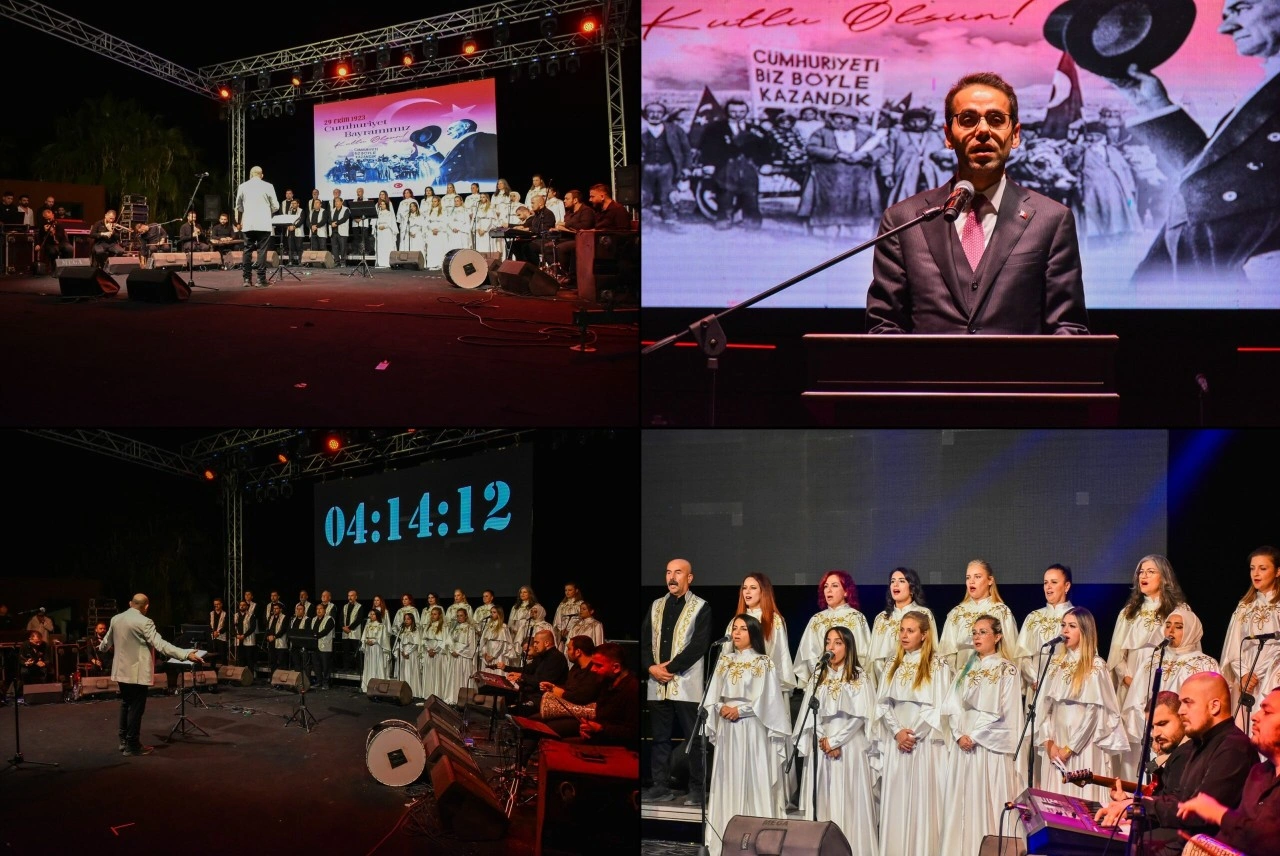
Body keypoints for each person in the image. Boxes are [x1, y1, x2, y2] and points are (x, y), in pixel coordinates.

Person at [865, 71, 1089, 335]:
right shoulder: (904, 220)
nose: (982, 130)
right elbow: (885, 327)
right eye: (968, 120)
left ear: (1015, 135)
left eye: (996, 120)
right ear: (948, 136)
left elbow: (1068, 328)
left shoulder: (1051, 219)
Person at [1102, 0, 1280, 282]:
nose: (1225, 27)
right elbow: (1212, 178)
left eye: (1242, 8)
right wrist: (1153, 103)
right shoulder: (1267, 88)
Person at [1117, 673, 1255, 854]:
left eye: (1188, 702)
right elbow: (1177, 799)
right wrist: (1133, 806)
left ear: (1214, 706)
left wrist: (1139, 806)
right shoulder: (1197, 744)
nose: (1181, 711)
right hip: (1184, 842)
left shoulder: (1234, 748)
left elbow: (1198, 815)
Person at [702, 614, 790, 856]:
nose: (737, 633)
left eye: (743, 628)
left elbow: (769, 702)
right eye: (735, 628)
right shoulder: (724, 660)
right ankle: (724, 836)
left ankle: (756, 839)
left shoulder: (763, 662)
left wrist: (740, 710)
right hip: (728, 729)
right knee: (728, 777)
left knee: (753, 775)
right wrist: (721, 707)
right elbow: (712, 696)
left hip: (751, 727)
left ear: (753, 633)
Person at [939, 614, 1024, 856]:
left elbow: (1005, 711)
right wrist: (958, 734)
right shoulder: (965, 670)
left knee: (986, 799)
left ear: (997, 637)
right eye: (974, 632)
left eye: (983, 632)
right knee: (962, 802)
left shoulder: (1007, 670)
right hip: (964, 746)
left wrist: (975, 736)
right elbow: (952, 706)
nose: (977, 637)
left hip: (988, 748)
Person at [793, 624, 878, 855]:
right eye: (828, 642)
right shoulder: (818, 676)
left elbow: (862, 715)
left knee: (849, 799)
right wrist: (824, 739)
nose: (831, 647)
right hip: (823, 746)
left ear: (848, 647)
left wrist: (836, 741)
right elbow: (811, 713)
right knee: (824, 798)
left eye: (838, 643)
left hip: (850, 745)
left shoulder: (859, 677)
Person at [876, 610, 954, 856]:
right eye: (901, 630)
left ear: (924, 635)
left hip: (924, 742)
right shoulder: (892, 663)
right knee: (897, 799)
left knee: (923, 799)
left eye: (910, 631)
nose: (904, 635)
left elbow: (938, 706)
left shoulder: (937, 664)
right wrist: (897, 732)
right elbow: (883, 703)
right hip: (898, 741)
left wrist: (912, 735)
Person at [1108, 554, 1190, 778]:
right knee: (1135, 740)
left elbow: (1187, 647)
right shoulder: (1128, 613)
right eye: (1141, 572)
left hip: (1166, 683)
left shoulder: (1178, 610)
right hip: (1131, 684)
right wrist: (1128, 678)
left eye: (1150, 572)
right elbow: (1117, 654)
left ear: (1164, 577)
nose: (1143, 576)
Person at [1034, 607, 1128, 801]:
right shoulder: (1055, 665)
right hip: (1056, 740)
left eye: (1072, 626)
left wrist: (1070, 748)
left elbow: (1094, 712)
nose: (1065, 630)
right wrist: (1049, 743)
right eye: (1063, 625)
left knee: (1080, 795)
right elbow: (1045, 709)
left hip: (1082, 745)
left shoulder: (1095, 665)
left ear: (1085, 631)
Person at [1175, 686, 1280, 856]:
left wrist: (1219, 814)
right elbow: (1235, 837)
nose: (1255, 716)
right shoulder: (1259, 773)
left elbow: (1271, 843)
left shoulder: (1234, 748)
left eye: (1267, 712)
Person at [642, 558, 712, 806]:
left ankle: (697, 788)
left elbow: (699, 645)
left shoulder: (701, 607)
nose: (672, 577)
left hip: (685, 682)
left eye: (678, 572)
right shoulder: (656, 605)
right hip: (657, 682)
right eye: (668, 572)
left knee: (693, 738)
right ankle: (660, 785)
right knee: (659, 738)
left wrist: (669, 668)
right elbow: (646, 640)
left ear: (689, 578)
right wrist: (651, 667)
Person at [99, 594, 203, 756]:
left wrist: (101, 648)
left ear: (130, 603)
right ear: (146, 607)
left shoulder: (116, 619)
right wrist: (185, 654)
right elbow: (160, 645)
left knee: (126, 704)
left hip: (121, 671)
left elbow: (105, 644)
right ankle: (132, 745)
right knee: (136, 708)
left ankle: (124, 740)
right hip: (137, 673)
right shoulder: (145, 622)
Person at [1094, 690, 1194, 851]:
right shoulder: (1175, 753)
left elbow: (1171, 814)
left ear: (1182, 717)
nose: (1156, 734)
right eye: (1152, 727)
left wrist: (1133, 808)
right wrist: (1127, 802)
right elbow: (1160, 803)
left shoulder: (1185, 754)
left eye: (1162, 724)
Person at [1221, 546, 1280, 732]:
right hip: (1247, 681)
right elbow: (1233, 646)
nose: (1256, 573)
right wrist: (1244, 673)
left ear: (1277, 571)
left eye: (1263, 568)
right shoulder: (1244, 607)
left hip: (1274, 677)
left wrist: (1269, 670)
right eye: (1252, 568)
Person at [800, 108, 883, 239]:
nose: (842, 121)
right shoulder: (822, 132)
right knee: (829, 204)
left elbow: (881, 148)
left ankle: (855, 235)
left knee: (858, 204)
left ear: (854, 120)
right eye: (838, 117)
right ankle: (827, 235)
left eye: (847, 118)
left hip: (858, 178)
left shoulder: (865, 134)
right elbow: (812, 148)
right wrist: (836, 154)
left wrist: (864, 155)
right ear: (832, 119)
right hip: (829, 177)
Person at [939, 559, 1025, 672]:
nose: (971, 581)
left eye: (977, 577)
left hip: (992, 676)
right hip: (962, 676)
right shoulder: (956, 613)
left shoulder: (1001, 611)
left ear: (990, 580)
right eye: (968, 577)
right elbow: (946, 653)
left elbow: (1011, 651)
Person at [699, 99, 769, 230]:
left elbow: (765, 148)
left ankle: (752, 222)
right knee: (725, 193)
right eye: (733, 111)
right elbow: (708, 147)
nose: (738, 115)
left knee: (751, 194)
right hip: (725, 164)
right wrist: (709, 163)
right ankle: (723, 220)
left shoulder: (755, 129)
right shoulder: (715, 129)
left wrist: (764, 163)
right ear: (727, 112)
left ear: (747, 112)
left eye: (742, 111)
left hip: (748, 165)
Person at [794, 570, 872, 684]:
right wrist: (821, 674)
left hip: (849, 680)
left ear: (846, 591)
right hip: (821, 679)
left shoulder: (856, 617)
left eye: (835, 586)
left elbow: (863, 654)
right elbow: (808, 653)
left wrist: (847, 676)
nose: (828, 590)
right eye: (826, 586)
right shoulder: (816, 619)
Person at [869, 566, 938, 682]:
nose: (895, 585)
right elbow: (873, 657)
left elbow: (932, 648)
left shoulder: (924, 614)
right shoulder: (881, 618)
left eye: (901, 581)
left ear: (912, 588)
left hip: (915, 678)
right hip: (884, 680)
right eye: (892, 581)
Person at [727, 573, 794, 691]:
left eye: (753, 588)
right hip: (738, 680)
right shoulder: (736, 620)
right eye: (744, 588)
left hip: (764, 681)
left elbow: (779, 654)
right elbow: (726, 651)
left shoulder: (773, 620)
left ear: (763, 591)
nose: (747, 592)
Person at [1018, 563, 1075, 690]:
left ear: (1066, 586)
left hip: (1066, 686)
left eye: (1054, 582)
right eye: (1045, 583)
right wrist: (1034, 679)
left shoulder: (1077, 617)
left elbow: (1085, 654)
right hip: (1037, 685)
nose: (1048, 587)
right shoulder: (1033, 617)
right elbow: (1023, 655)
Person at [538, 636, 603, 737]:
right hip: (568, 710)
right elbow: (568, 686)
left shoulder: (593, 671)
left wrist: (562, 693)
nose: (566, 652)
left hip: (581, 716)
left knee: (543, 728)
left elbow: (583, 697)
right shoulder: (576, 667)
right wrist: (553, 687)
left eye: (569, 648)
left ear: (578, 652)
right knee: (533, 721)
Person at [579, 641, 640, 748]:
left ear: (616, 667)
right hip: (601, 742)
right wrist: (589, 728)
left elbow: (633, 733)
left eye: (598, 665)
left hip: (619, 750)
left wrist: (601, 728)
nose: (592, 669)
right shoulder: (606, 682)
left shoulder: (633, 689)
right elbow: (604, 718)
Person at [641, 102, 691, 225]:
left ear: (664, 114)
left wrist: (686, 167)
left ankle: (670, 220)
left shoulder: (675, 130)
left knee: (668, 194)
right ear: (645, 114)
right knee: (644, 195)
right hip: (645, 169)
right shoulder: (641, 129)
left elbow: (686, 150)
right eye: (651, 112)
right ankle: (645, 222)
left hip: (667, 167)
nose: (655, 115)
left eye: (659, 112)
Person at [233, 165, 280, 287]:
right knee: (262, 251)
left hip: (248, 223)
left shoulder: (243, 186)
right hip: (263, 224)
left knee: (247, 250)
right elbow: (276, 206)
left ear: (250, 175)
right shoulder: (268, 186)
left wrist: (246, 213)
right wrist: (267, 211)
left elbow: (238, 206)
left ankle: (246, 279)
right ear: (262, 175)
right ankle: (260, 279)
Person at [506, 629, 568, 713]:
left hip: (544, 698)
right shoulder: (541, 655)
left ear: (546, 643)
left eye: (536, 642)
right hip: (534, 693)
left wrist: (521, 677)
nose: (534, 645)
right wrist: (508, 669)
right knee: (508, 693)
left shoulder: (557, 658)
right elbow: (527, 669)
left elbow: (543, 681)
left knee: (515, 707)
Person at [430, 119, 499, 188]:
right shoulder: (462, 143)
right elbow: (451, 166)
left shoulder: (484, 138)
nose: (448, 133)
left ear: (466, 126)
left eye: (451, 128)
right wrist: (433, 152)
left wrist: (472, 184)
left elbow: (482, 163)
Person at [552, 189, 597, 278]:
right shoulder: (569, 212)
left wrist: (565, 224)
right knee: (547, 246)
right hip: (568, 237)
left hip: (582, 239)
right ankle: (560, 273)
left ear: (575, 200)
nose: (564, 201)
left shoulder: (586, 211)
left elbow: (585, 226)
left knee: (561, 248)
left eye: (567, 199)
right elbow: (566, 226)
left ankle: (569, 275)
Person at [443, 606, 475, 705]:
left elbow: (471, 644)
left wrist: (459, 651)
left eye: (461, 615)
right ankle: (452, 696)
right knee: (454, 676)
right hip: (454, 655)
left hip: (463, 656)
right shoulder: (454, 628)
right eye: (457, 616)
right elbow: (449, 641)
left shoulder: (470, 628)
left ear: (466, 616)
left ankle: (463, 699)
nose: (459, 618)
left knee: (462, 676)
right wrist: (452, 650)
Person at [421, 605, 449, 701]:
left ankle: (438, 693)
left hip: (438, 653)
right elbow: (424, 639)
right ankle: (428, 693)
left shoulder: (444, 627)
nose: (433, 616)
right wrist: (428, 649)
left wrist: (435, 650)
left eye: (435, 614)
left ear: (439, 615)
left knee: (438, 674)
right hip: (429, 652)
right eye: (432, 614)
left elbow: (444, 641)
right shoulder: (428, 626)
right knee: (429, 673)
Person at [361, 606, 390, 693]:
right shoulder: (367, 625)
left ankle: (378, 686)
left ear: (377, 615)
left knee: (377, 665)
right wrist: (366, 641)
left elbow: (382, 638)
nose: (371, 616)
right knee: (369, 665)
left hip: (377, 647)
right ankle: (368, 685)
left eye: (373, 614)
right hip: (369, 648)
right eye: (371, 614)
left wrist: (373, 641)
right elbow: (363, 637)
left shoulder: (381, 626)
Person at [36, 208, 71, 274]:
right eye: (46, 218)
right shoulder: (42, 224)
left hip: (61, 242)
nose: (48, 220)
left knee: (69, 248)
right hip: (50, 243)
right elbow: (40, 236)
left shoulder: (58, 223)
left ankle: (66, 268)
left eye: (49, 218)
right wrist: (45, 231)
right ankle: (53, 269)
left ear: (53, 215)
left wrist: (54, 233)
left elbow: (61, 235)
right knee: (53, 251)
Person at [339, 590, 365, 672]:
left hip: (354, 632)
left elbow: (359, 619)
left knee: (356, 651)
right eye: (349, 595)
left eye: (352, 595)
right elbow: (341, 618)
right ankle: (346, 668)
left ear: (356, 597)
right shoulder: (345, 606)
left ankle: (359, 669)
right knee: (345, 651)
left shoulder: (359, 606)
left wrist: (349, 628)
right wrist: (343, 627)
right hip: (345, 632)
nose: (350, 597)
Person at [509, 586, 540, 655]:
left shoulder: (534, 606)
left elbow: (537, 619)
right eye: (521, 592)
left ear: (530, 594)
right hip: (515, 631)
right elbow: (511, 620)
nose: (522, 594)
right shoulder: (515, 607)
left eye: (525, 592)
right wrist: (512, 628)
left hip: (527, 630)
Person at [233, 599, 258, 678]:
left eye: (243, 605)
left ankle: (250, 678)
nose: (242, 606)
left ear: (247, 606)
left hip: (248, 640)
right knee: (240, 659)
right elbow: (232, 627)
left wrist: (244, 635)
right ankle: (241, 677)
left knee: (249, 659)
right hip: (239, 640)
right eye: (240, 605)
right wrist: (236, 635)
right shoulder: (236, 615)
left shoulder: (251, 615)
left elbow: (252, 627)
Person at [262, 602, 288, 676]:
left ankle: (282, 678)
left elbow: (283, 629)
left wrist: (274, 636)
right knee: (272, 661)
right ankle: (273, 677)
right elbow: (268, 628)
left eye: (277, 608)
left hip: (280, 642)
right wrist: (268, 636)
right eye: (274, 609)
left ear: (280, 609)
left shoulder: (284, 617)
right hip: (271, 643)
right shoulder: (271, 617)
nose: (275, 610)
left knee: (281, 662)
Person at [288, 604, 313, 676]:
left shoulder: (308, 620)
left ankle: (306, 680)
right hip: (294, 646)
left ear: (304, 611)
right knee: (296, 664)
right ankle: (298, 680)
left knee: (305, 665)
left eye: (300, 609)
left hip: (303, 646)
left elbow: (308, 633)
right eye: (297, 609)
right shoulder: (293, 620)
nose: (298, 610)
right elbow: (289, 631)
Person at [373, 200, 397, 267]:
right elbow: (375, 222)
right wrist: (377, 226)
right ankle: (380, 263)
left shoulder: (389, 213)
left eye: (384, 204)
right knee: (380, 247)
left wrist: (385, 226)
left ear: (386, 205)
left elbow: (391, 223)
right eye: (381, 204)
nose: (382, 205)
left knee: (387, 246)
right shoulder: (378, 213)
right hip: (379, 232)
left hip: (387, 231)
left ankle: (387, 263)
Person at [329, 196, 350, 266]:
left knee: (343, 247)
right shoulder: (332, 210)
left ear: (341, 202)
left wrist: (336, 223)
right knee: (334, 247)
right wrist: (331, 223)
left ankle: (343, 262)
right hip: (333, 231)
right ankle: (337, 261)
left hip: (342, 231)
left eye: (338, 201)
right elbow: (329, 219)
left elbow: (344, 218)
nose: (336, 203)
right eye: (335, 201)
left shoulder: (346, 209)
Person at [283, 199, 304, 265]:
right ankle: (290, 261)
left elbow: (301, 220)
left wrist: (294, 227)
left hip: (298, 231)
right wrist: (288, 226)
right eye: (292, 203)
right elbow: (286, 220)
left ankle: (300, 261)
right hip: (290, 232)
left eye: (294, 203)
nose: (293, 205)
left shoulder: (301, 211)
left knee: (299, 247)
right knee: (290, 248)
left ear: (298, 204)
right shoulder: (289, 211)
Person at [208, 598, 228, 663]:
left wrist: (218, 632)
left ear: (221, 604)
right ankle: (212, 668)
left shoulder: (225, 613)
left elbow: (226, 626)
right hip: (212, 636)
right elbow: (208, 625)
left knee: (223, 655)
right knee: (212, 655)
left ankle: (224, 668)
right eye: (215, 604)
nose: (216, 605)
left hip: (221, 636)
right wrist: (213, 632)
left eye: (218, 604)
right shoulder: (211, 613)